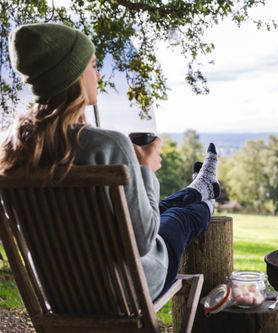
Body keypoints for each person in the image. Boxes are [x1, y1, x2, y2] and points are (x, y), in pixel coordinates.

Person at [0, 23, 220, 301]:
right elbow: (143, 241)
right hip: (123, 291)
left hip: (60, 295)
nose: (99, 73)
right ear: (74, 75)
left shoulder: (13, 151)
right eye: (93, 65)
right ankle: (207, 198)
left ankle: (200, 187)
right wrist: (145, 169)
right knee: (180, 217)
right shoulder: (108, 145)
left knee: (165, 207)